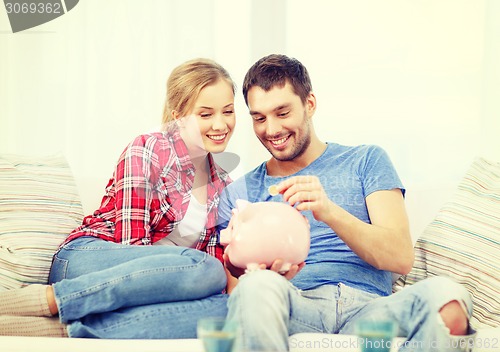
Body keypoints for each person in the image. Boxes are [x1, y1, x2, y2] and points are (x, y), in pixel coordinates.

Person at [218, 54, 475, 351]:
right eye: (259, 118)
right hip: (297, 304)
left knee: (448, 298)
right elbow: (238, 297)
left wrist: (329, 212)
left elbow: (400, 257)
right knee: (256, 288)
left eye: (282, 112)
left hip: (370, 310)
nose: (271, 130)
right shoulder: (239, 192)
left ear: (309, 104)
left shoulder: (366, 160)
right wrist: (264, 276)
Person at [0, 58, 236, 338]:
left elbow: (201, 278)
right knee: (208, 270)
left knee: (225, 308)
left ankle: (64, 331)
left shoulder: (224, 186)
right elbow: (132, 246)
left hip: (148, 284)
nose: (220, 124)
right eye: (205, 114)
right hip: (88, 260)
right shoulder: (147, 149)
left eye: (228, 111)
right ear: (178, 116)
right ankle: (44, 300)